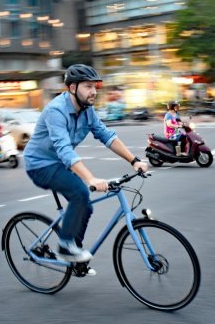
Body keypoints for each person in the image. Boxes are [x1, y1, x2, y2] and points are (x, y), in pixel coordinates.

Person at [24, 64, 148, 263]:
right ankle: (66, 246)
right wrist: (90, 178)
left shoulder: (87, 110)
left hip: (60, 163)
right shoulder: (56, 111)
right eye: (88, 86)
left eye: (95, 86)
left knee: (86, 206)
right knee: (80, 193)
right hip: (40, 164)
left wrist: (134, 160)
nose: (94, 92)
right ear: (72, 88)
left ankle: (75, 253)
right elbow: (64, 150)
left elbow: (107, 136)